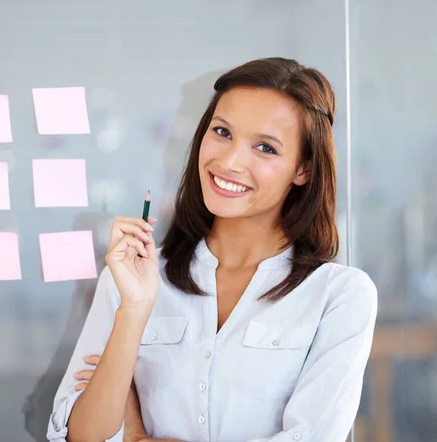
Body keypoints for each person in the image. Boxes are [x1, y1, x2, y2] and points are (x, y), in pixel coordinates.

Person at [44, 57, 378, 442]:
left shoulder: (339, 296)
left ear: (303, 169)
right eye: (222, 132)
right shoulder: (132, 279)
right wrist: (134, 312)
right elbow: (76, 437)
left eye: (265, 148)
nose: (230, 161)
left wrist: (139, 440)